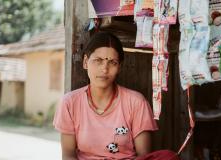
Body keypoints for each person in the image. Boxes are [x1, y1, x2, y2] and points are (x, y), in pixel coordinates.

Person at [53, 32, 158, 160]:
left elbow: (144, 156)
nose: (104, 69)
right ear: (86, 62)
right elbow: (68, 155)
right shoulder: (70, 103)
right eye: (98, 61)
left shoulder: (136, 102)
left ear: (119, 67)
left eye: (112, 62)